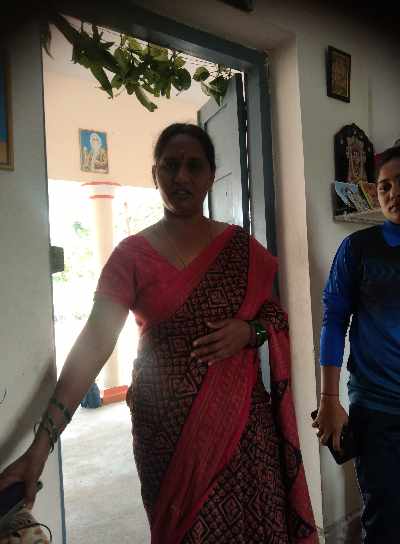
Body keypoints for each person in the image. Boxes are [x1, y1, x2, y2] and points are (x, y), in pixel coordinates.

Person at [0, 123, 316, 543]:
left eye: (194, 166)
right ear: (155, 174)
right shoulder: (131, 256)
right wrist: (41, 446)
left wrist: (249, 331)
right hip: (164, 439)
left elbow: (275, 316)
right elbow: (94, 343)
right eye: (170, 165)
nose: (181, 176)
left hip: (243, 431)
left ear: (211, 175)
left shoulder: (242, 249)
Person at [314, 146, 400, 543]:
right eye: (384, 186)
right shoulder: (358, 249)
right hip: (376, 408)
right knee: (384, 519)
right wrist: (329, 399)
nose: (393, 193)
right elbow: (334, 321)